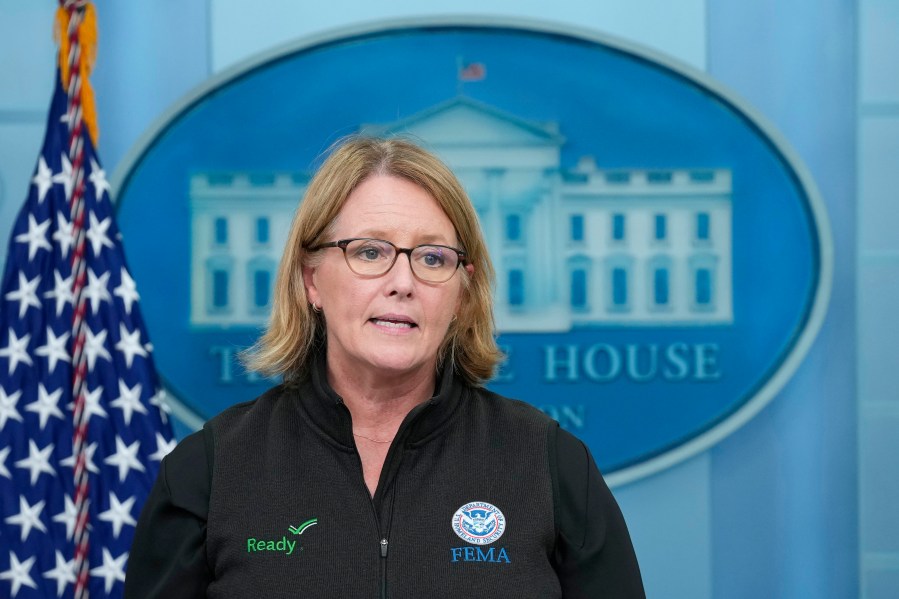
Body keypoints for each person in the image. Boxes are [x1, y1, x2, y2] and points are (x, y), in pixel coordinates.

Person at [125, 137, 645, 598]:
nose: (403, 282)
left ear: (463, 292)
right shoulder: (210, 470)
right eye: (370, 252)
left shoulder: (551, 463)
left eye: (433, 257)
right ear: (311, 281)